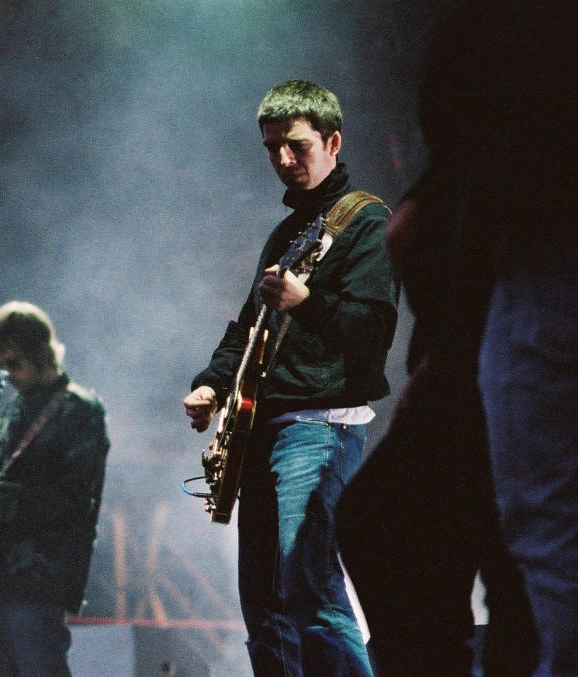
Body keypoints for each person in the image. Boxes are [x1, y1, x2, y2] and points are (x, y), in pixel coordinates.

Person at [334, 5, 541, 675]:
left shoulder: (512, 74)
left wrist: (447, 354)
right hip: (464, 357)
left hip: (488, 352)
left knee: (513, 554)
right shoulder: (454, 160)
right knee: (400, 523)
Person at [182, 80, 399, 676]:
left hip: (320, 427)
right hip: (263, 430)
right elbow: (248, 328)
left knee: (311, 589)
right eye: (272, 148)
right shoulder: (287, 233)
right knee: (265, 606)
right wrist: (212, 384)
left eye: (296, 146)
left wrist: (306, 301)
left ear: (332, 141)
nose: (283, 160)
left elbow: (374, 330)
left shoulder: (365, 220)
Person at [0, 301, 110, 677]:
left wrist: (2, 494)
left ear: (41, 353)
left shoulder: (80, 410)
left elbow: (76, 501)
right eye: (0, 366)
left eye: (14, 364)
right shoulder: (14, 408)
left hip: (39, 578)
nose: (7, 375)